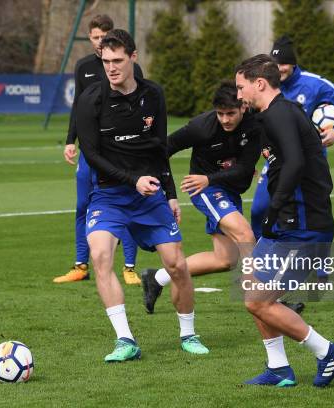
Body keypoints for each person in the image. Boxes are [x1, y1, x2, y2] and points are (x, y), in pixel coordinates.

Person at [77, 29, 209, 361]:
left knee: (176, 264)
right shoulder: (90, 99)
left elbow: (158, 149)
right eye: (105, 61)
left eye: (117, 60)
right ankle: (125, 341)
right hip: (109, 195)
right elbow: (92, 155)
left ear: (133, 58)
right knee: (101, 256)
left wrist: (170, 193)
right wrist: (131, 179)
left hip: (149, 195)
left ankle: (188, 333)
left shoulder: (154, 95)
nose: (111, 67)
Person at [235, 54, 334, 387]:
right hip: (288, 224)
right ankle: (279, 368)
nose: (239, 95)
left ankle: (328, 351)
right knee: (252, 290)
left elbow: (296, 162)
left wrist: (276, 207)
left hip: (302, 226)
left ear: (259, 83)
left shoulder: (280, 115)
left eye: (241, 87)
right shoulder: (278, 114)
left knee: (258, 301)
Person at [141, 81, 261, 314]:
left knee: (225, 260)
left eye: (231, 114)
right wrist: (170, 191)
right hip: (204, 189)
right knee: (246, 234)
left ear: (243, 108)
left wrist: (214, 177)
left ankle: (158, 277)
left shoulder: (254, 125)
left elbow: (246, 167)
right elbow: (163, 149)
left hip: (227, 189)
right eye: (220, 114)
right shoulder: (202, 127)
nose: (225, 119)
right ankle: (263, 298)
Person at [54, 14, 142, 285]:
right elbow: (79, 108)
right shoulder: (83, 67)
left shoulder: (130, 68)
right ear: (90, 38)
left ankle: (129, 267)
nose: (99, 42)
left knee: (125, 203)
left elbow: (140, 107)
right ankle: (81, 264)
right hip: (90, 151)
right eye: (94, 37)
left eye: (103, 37)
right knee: (82, 205)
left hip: (121, 150)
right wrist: (71, 140)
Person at [250, 35, 334, 240]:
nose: (279, 68)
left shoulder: (314, 84)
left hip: (310, 161)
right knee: (259, 210)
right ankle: (259, 259)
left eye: (283, 64)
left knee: (315, 214)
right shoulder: (265, 86)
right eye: (275, 64)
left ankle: (321, 268)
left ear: (293, 63)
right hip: (276, 159)